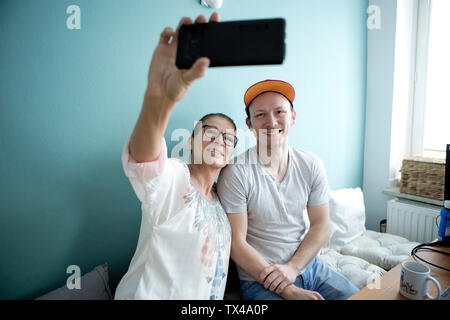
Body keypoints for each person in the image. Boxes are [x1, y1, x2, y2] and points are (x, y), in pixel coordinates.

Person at [114, 13, 239, 300]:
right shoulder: (174, 179)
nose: (219, 140)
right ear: (191, 140)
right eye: (210, 131)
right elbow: (145, 160)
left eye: (229, 137)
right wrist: (159, 100)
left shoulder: (223, 204)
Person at [216, 79, 359, 300]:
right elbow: (236, 243)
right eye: (260, 115)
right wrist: (287, 290)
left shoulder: (311, 164)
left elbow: (321, 225)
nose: (271, 122)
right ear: (250, 123)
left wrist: (293, 268)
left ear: (293, 117)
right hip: (259, 278)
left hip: (310, 267)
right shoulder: (236, 172)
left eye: (279, 112)